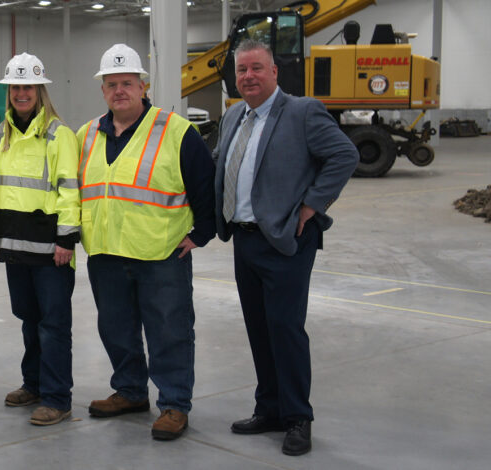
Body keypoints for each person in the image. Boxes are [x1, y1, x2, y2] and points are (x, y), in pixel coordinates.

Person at [213, 39, 357, 456]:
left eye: (257, 68)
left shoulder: (302, 111)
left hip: (285, 241)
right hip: (244, 238)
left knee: (286, 330)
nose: (249, 77)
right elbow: (223, 165)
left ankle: (297, 418)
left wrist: (312, 205)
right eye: (242, 70)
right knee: (259, 328)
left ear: (274, 72)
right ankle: (270, 408)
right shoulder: (234, 114)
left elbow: (344, 155)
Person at [76, 43, 216, 441]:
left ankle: (173, 404)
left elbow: (205, 186)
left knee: (169, 330)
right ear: (103, 90)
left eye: (127, 83)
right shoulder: (86, 134)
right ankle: (130, 391)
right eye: (112, 84)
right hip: (105, 252)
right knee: (116, 329)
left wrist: (201, 234)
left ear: (143, 86)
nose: (120, 90)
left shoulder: (176, 131)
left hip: (161, 253)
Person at [0, 53, 79, 426]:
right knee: (28, 319)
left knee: (53, 324)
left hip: (51, 251)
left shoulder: (59, 135)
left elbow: (70, 191)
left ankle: (57, 397)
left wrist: (67, 241)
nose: (21, 93)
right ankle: (34, 384)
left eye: (28, 86)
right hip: (14, 247)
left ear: (40, 91)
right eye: (15, 87)